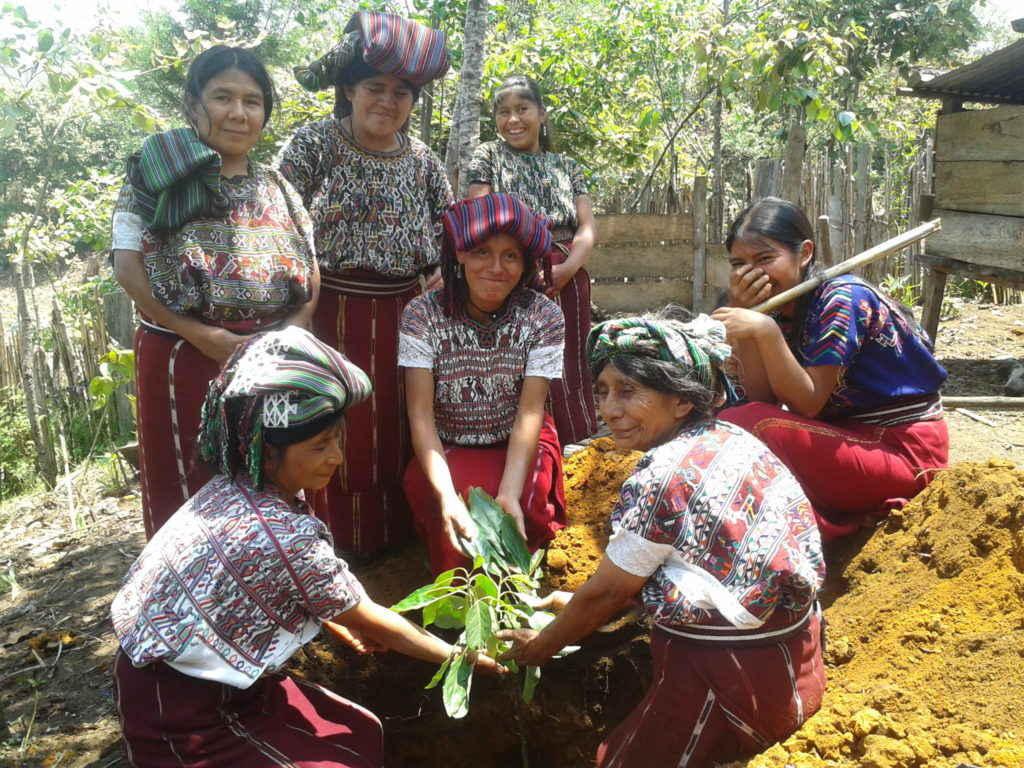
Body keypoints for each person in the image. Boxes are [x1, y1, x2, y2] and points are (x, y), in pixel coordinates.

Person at [110, 326, 501, 767]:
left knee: (361, 732)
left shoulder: (237, 485)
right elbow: (378, 622)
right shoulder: (284, 535)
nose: (336, 457)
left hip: (224, 681)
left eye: (337, 439)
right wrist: (461, 656)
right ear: (267, 451)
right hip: (176, 706)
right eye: (319, 446)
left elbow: (289, 584)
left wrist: (331, 617)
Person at [497, 314, 826, 768]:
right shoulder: (732, 437)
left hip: (733, 680)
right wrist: (574, 604)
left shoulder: (663, 476)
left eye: (628, 391)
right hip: (797, 664)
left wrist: (539, 648)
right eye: (603, 391)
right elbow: (699, 565)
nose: (610, 409)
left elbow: (608, 593)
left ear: (681, 400)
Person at [111, 46, 319, 539]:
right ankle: (189, 586)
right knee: (189, 488)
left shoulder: (278, 187)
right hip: (183, 355)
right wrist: (201, 335)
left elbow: (311, 273)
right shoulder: (153, 177)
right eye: (223, 97)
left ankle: (276, 582)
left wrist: (284, 340)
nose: (238, 113)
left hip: (271, 360)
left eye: (252, 101)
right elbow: (127, 266)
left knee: (273, 479)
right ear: (192, 103)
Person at [278, 11, 452, 555]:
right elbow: (274, 222)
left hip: (404, 315)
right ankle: (327, 543)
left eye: (402, 92)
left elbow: (451, 239)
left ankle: (393, 544)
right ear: (350, 89)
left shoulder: (423, 163)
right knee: (330, 420)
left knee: (395, 425)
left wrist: (439, 283)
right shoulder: (313, 145)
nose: (388, 101)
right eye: (375, 87)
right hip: (323, 312)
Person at [710, 197, 949, 540]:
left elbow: (807, 404)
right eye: (739, 264)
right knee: (729, 421)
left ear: (804, 253)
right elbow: (761, 398)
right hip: (844, 439)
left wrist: (765, 331)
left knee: (745, 425)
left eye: (765, 259)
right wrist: (750, 324)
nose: (752, 274)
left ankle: (814, 530)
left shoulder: (842, 298)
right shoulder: (773, 308)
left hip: (902, 451)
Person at [399, 193, 567, 575]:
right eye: (482, 252)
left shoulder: (544, 316)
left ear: (525, 263)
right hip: (450, 444)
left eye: (510, 256)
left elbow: (530, 412)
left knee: (522, 503)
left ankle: (520, 581)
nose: (496, 267)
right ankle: (453, 584)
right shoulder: (421, 315)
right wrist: (446, 497)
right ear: (460, 255)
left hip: (517, 441)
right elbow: (420, 417)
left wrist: (509, 493)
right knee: (444, 500)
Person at [467, 75, 598, 447]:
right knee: (515, 360)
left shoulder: (566, 165)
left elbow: (587, 227)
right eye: (504, 112)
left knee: (568, 362)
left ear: (541, 113)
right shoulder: (488, 156)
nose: (513, 120)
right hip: (509, 272)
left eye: (522, 109)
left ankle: (574, 447)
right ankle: (520, 450)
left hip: (566, 273)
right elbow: (480, 216)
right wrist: (516, 268)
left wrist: (566, 270)